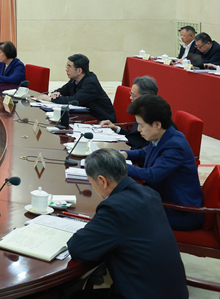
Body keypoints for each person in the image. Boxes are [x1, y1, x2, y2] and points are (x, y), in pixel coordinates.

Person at [65, 148, 187, 299]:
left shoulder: (114, 208)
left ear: (102, 180)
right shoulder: (150, 194)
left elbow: (78, 248)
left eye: (91, 183)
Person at [120, 94, 204, 230]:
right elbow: (145, 152)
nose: (138, 129)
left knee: (123, 212)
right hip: (162, 198)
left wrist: (118, 165)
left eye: (141, 125)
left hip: (180, 212)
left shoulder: (175, 145)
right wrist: (123, 154)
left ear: (157, 124)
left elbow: (152, 175)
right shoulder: (163, 135)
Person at [43, 54, 115, 123]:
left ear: (79, 71)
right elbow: (63, 90)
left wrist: (51, 99)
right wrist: (56, 94)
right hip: (85, 117)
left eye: (69, 67)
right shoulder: (75, 79)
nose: (66, 70)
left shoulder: (91, 83)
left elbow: (74, 100)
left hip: (102, 121)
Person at [98, 76, 157, 150]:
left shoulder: (153, 116)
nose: (130, 98)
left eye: (133, 95)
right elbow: (135, 136)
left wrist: (126, 153)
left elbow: (144, 149)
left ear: (145, 96)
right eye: (130, 94)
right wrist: (116, 128)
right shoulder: (142, 110)